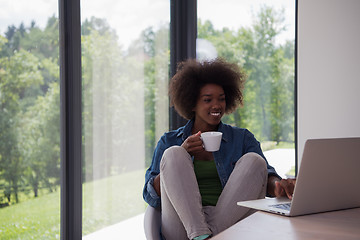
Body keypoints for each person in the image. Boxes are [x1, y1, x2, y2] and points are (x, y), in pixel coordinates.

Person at [143, 58, 296, 240]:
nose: (217, 105)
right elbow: (150, 195)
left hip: (228, 222)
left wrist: (278, 187)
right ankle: (200, 233)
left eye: (221, 99)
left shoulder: (242, 138)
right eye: (208, 100)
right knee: (174, 153)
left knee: (255, 160)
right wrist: (183, 153)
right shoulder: (169, 141)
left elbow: (265, 177)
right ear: (192, 103)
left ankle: (204, 236)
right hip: (181, 226)